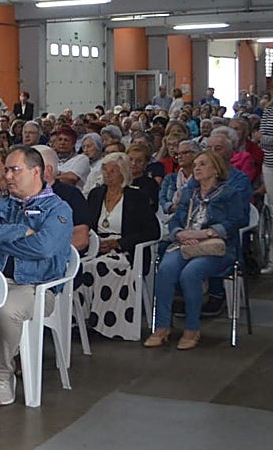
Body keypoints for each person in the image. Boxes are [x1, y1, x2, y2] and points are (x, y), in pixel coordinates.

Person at [0, 146, 73, 405]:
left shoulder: (58, 209)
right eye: (7, 170)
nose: (8, 176)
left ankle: (3, 373)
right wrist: (22, 232)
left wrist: (3, 235)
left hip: (34, 287)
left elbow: (44, 248)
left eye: (15, 170)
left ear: (36, 172)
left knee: (5, 310)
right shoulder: (1, 203)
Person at [147, 150, 246, 350]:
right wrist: (180, 233)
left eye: (203, 164)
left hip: (216, 247)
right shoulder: (188, 194)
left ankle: (192, 329)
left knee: (191, 273)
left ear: (216, 170)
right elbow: (175, 221)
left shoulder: (229, 194)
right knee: (166, 269)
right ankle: (162, 327)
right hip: (186, 244)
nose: (197, 168)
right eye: (196, 165)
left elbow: (237, 220)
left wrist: (207, 233)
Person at [75, 151, 161, 341]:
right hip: (96, 245)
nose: (107, 174)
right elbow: (87, 224)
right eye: (105, 170)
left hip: (125, 250)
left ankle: (103, 322)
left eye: (112, 171)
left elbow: (152, 232)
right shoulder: (97, 194)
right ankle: (80, 318)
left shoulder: (136, 197)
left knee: (100, 266)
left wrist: (119, 243)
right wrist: (94, 241)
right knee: (79, 266)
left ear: (123, 173)